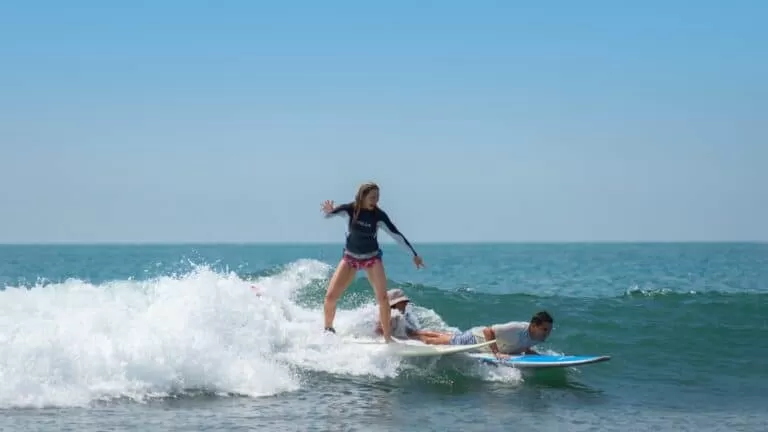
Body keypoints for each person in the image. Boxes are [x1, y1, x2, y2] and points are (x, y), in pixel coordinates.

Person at [321, 182, 425, 342]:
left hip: (372, 259)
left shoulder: (378, 216)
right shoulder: (349, 210)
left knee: (383, 299)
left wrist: (414, 254)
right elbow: (329, 214)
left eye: (377, 197)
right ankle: (328, 330)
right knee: (330, 297)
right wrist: (329, 211)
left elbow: (396, 235)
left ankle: (387, 338)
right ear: (362, 196)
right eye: (372, 197)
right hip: (350, 258)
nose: (375, 200)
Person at [417, 311, 554, 358]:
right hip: (475, 339)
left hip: (480, 341)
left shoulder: (537, 336)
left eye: (548, 330)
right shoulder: (516, 328)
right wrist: (497, 353)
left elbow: (522, 344)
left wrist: (533, 354)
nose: (547, 333)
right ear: (534, 325)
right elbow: (488, 331)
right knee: (442, 342)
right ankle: (416, 337)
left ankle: (419, 332)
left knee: (451, 337)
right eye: (545, 329)